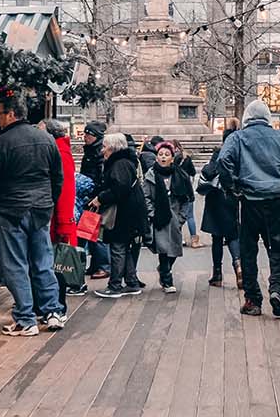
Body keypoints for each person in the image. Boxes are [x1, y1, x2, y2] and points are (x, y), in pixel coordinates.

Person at [0, 91, 66, 336]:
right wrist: (49, 201)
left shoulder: (0, 144)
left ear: (11, 114)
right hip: (40, 209)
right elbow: (57, 178)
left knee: (15, 264)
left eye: (0, 114)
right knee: (42, 262)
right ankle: (52, 312)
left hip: (10, 210)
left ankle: (25, 317)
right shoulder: (46, 140)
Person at [212, 100, 280, 317]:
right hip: (276, 200)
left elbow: (223, 161)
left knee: (248, 252)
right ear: (268, 118)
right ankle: (277, 289)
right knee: (277, 249)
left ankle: (253, 299)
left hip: (250, 200)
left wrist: (232, 187)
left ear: (247, 118)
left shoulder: (238, 138)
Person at [91, 132, 149, 298]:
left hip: (123, 213)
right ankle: (131, 282)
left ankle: (115, 285)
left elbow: (119, 188)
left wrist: (100, 198)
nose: (102, 150)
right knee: (125, 247)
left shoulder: (119, 164)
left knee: (117, 247)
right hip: (130, 211)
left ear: (112, 147)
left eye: (104, 146)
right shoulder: (125, 162)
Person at [146, 142, 195, 293]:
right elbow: (146, 196)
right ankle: (167, 281)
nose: (163, 157)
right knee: (163, 249)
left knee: (174, 249)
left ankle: (164, 269)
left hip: (175, 219)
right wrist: (152, 213)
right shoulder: (151, 175)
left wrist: (182, 217)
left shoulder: (180, 175)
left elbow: (186, 199)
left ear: (172, 158)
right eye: (160, 154)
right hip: (159, 218)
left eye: (166, 155)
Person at [45, 119, 85, 296]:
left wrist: (64, 222)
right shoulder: (58, 151)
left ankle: (62, 295)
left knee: (59, 259)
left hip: (59, 218)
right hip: (57, 217)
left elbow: (65, 190)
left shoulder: (60, 152)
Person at [199, 125, 241, 288]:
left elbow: (209, 172)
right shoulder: (239, 154)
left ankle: (217, 274)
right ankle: (238, 264)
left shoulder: (219, 153)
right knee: (232, 234)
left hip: (215, 198)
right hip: (231, 197)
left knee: (217, 236)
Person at [79, 121, 111, 279]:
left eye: (88, 134)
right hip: (90, 195)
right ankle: (95, 264)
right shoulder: (91, 151)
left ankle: (104, 266)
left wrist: (96, 194)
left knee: (96, 232)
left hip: (95, 197)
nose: (85, 137)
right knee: (88, 231)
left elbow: (100, 176)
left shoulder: (98, 153)